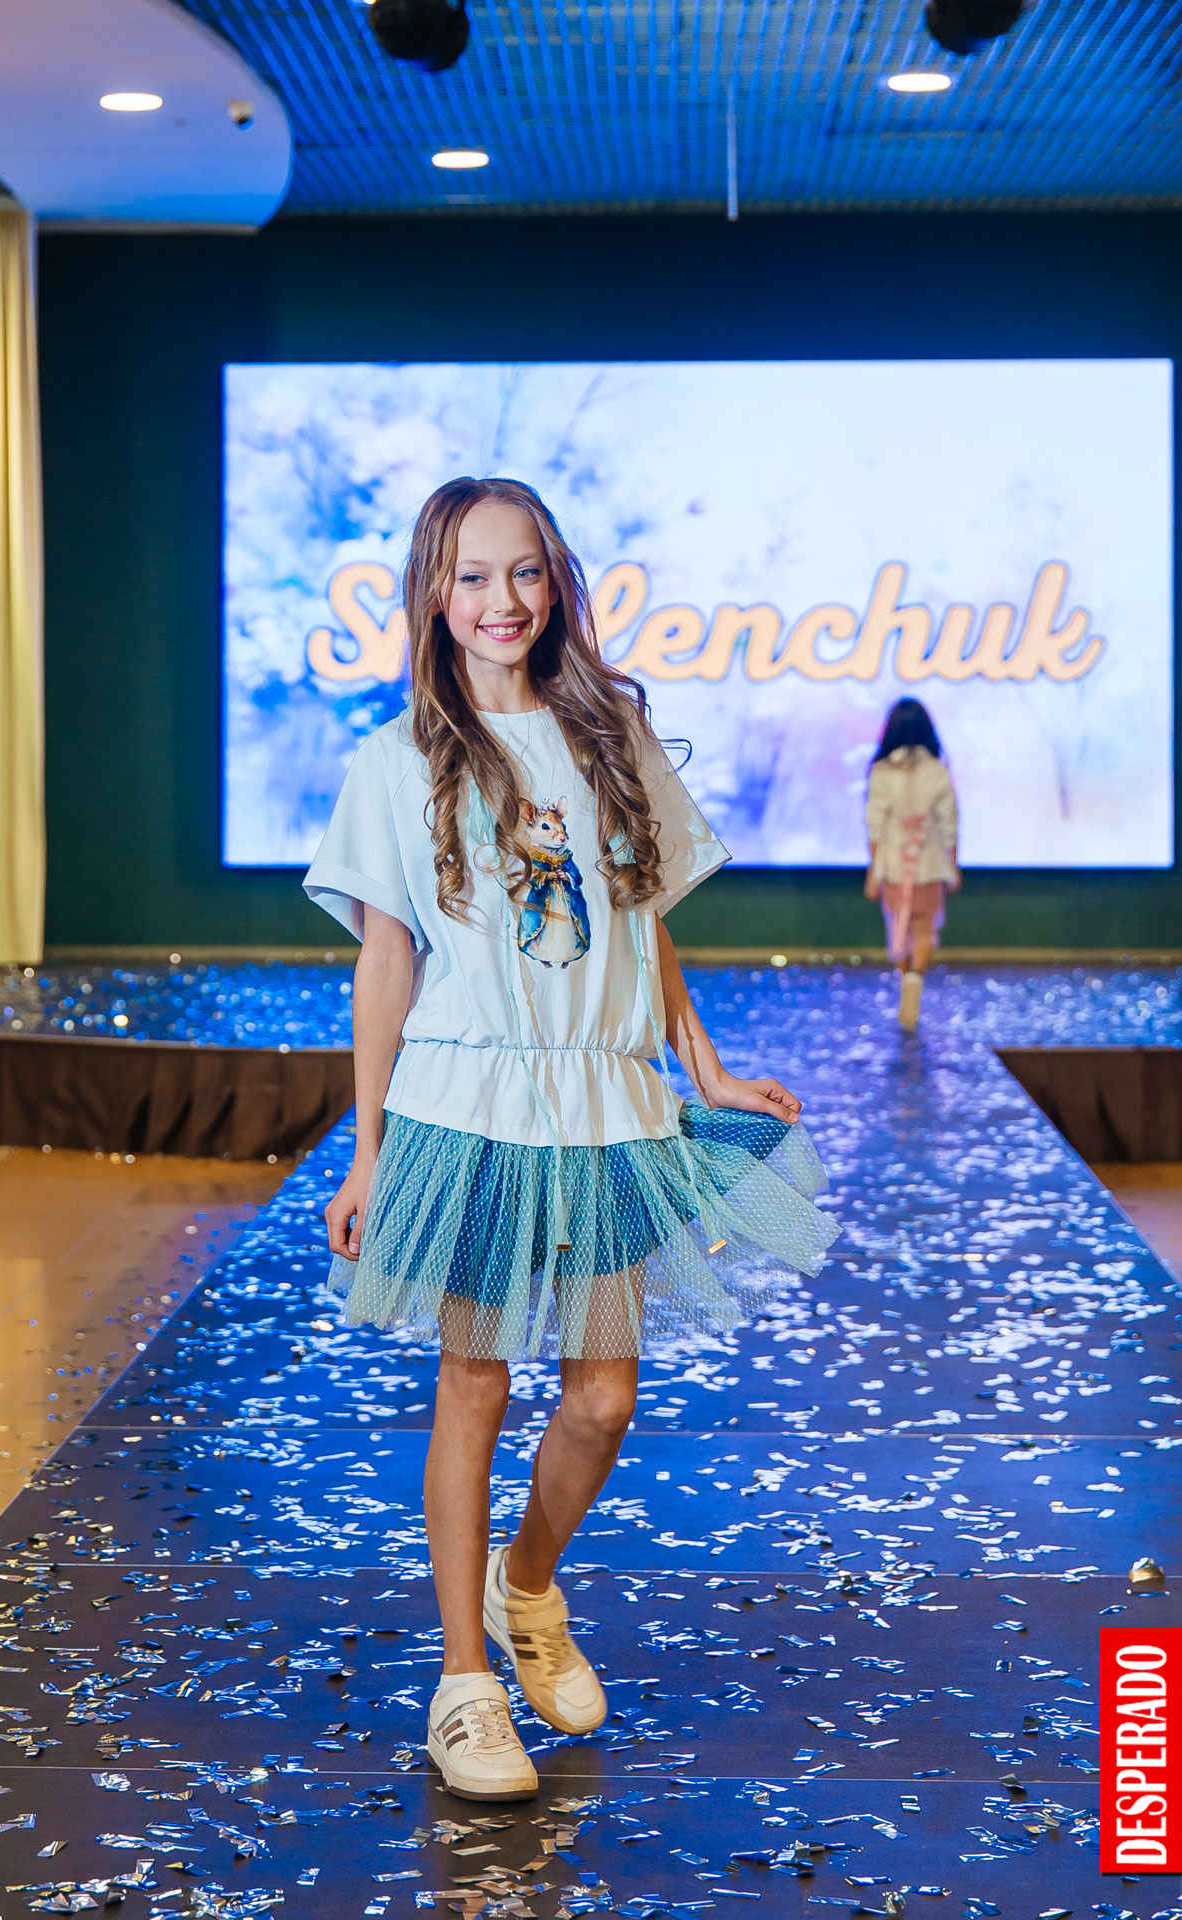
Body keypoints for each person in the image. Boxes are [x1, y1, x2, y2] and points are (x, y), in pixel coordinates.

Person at [304, 476, 839, 1802]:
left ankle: (525, 1584)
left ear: (556, 583)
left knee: (603, 1396)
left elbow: (647, 923)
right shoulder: (396, 758)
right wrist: (368, 1150)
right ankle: (463, 1685)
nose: (504, 600)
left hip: (604, 1105)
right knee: (475, 1383)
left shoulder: (612, 734)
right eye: (474, 576)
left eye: (526, 572)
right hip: (467, 1111)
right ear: (435, 593)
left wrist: (705, 1067)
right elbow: (384, 962)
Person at [864, 697, 960, 1031]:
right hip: (929, 863)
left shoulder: (882, 772)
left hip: (893, 864)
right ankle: (914, 979)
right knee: (922, 930)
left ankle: (907, 980)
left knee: (898, 928)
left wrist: (873, 870)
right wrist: (953, 864)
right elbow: (950, 823)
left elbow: (874, 825)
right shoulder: (937, 769)